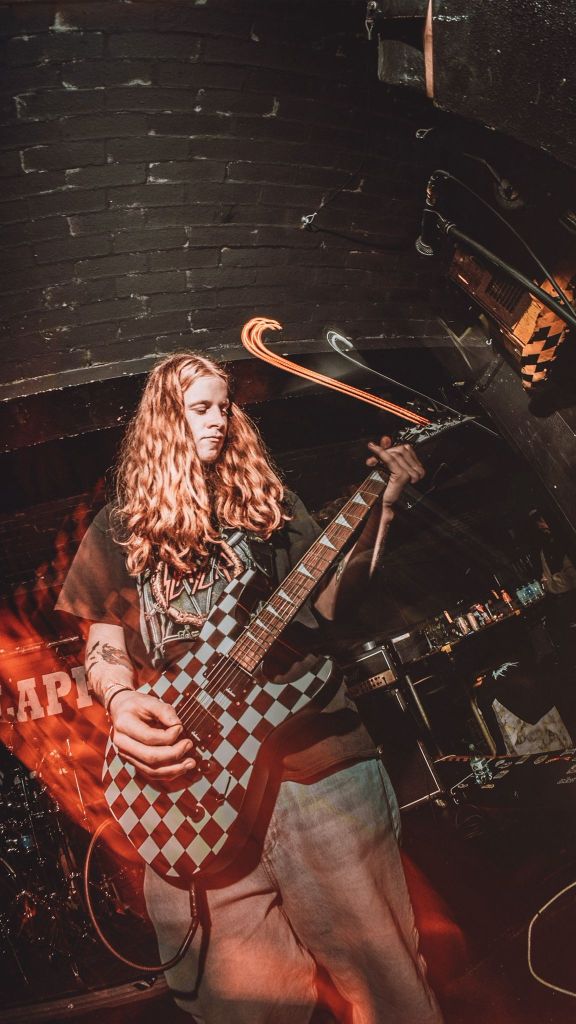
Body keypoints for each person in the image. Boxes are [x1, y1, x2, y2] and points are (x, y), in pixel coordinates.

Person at [56, 353, 444, 1024]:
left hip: (312, 771)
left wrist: (381, 510)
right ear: (163, 420)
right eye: (200, 408)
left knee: (387, 988)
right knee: (242, 1008)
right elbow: (103, 644)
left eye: (225, 406)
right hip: (189, 788)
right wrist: (120, 702)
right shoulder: (119, 528)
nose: (218, 419)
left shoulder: (267, 505)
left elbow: (330, 609)